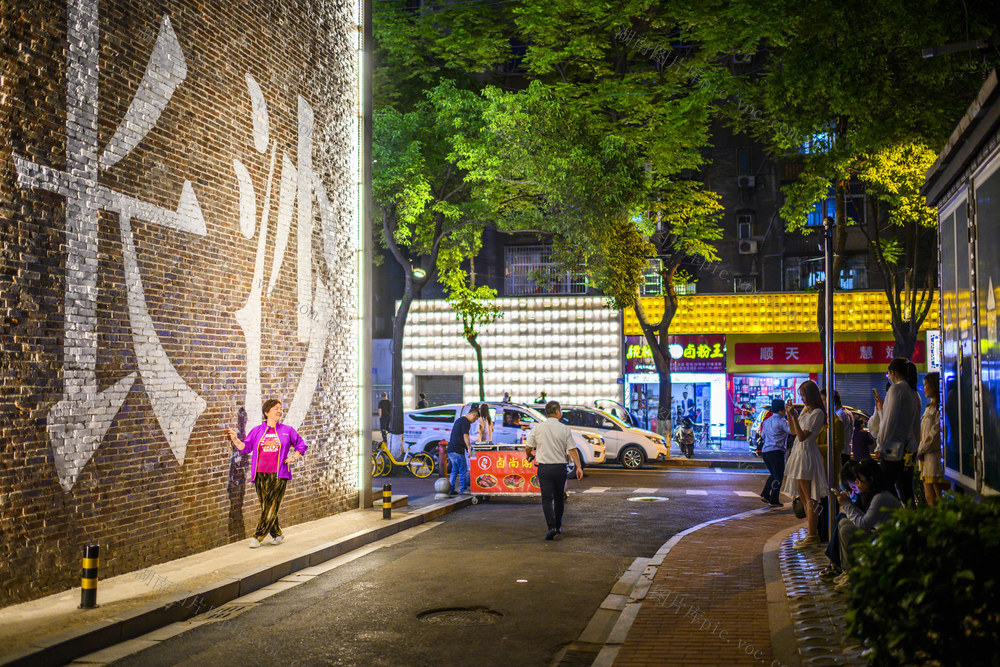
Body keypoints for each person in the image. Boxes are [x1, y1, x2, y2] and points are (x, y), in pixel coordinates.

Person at [225, 399, 307, 548]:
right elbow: (245, 447)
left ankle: (258, 537)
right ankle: (277, 534)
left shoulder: (287, 430)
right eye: (276, 408)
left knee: (271, 505)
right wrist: (235, 439)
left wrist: (294, 458)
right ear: (267, 412)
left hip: (279, 474)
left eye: (281, 409)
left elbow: (301, 445)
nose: (280, 411)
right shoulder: (257, 430)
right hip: (260, 474)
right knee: (267, 507)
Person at [830, 459, 902, 592]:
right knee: (844, 522)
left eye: (859, 480)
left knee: (846, 529)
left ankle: (852, 576)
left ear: (871, 479)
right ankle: (847, 572)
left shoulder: (880, 497)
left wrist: (846, 505)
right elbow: (865, 519)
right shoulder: (875, 495)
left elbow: (864, 524)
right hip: (879, 533)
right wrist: (848, 504)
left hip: (887, 539)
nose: (857, 484)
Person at [524, 401, 584, 540]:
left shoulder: (538, 427)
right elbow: (572, 449)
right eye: (561, 410)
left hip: (544, 468)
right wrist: (578, 467)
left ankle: (551, 527)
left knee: (546, 499)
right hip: (559, 468)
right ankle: (558, 525)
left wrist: (529, 455)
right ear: (557, 412)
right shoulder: (564, 428)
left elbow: (528, 446)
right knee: (558, 498)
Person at [782, 380, 828, 549]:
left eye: (804, 395)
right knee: (803, 497)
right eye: (800, 395)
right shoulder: (806, 411)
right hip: (799, 453)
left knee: (810, 498)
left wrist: (794, 416)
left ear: (811, 395)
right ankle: (810, 533)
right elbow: (794, 432)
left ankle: (813, 534)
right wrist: (790, 415)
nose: (802, 398)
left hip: (807, 454)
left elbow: (802, 437)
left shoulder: (817, 413)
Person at [877, 357, 921, 506]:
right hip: (908, 451)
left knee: (884, 488)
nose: (888, 377)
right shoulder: (914, 393)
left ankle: (895, 521)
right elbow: (916, 425)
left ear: (893, 372)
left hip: (892, 450)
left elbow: (889, 422)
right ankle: (909, 525)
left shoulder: (896, 389)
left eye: (888, 373)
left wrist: (880, 446)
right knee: (906, 492)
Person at [917, 372, 948, 505]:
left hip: (934, 459)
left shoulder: (939, 410)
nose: (924, 388)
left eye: (926, 385)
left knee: (938, 498)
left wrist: (921, 449)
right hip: (926, 459)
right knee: (930, 497)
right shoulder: (928, 408)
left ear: (934, 387)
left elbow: (935, 434)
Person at [759, 398, 791, 507]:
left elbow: (762, 435)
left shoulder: (766, 421)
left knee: (774, 474)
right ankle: (773, 499)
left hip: (766, 452)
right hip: (777, 451)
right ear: (782, 410)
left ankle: (766, 494)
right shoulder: (782, 422)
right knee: (778, 477)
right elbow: (792, 431)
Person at [447, 407, 479, 495]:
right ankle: (463, 488)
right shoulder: (465, 421)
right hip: (457, 450)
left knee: (454, 469)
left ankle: (450, 488)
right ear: (473, 415)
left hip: (451, 449)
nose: (474, 421)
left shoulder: (459, 420)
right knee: (463, 469)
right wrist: (469, 448)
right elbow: (465, 435)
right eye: (475, 419)